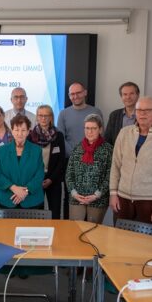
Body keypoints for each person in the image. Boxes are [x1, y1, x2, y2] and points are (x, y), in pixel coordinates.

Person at [57, 82, 103, 219]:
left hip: (93, 162)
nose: (75, 96)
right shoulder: (63, 114)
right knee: (70, 195)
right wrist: (76, 154)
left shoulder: (96, 111)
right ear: (69, 96)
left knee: (92, 196)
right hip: (70, 161)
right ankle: (69, 229)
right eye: (72, 94)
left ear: (85, 92)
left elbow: (100, 136)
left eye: (78, 93)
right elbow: (61, 138)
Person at [110, 96, 152, 224]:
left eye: (147, 110)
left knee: (144, 242)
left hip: (148, 200)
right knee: (120, 239)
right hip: (122, 199)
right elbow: (116, 165)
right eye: (139, 110)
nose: (142, 114)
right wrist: (113, 193)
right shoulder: (124, 133)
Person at [66, 114, 112, 223]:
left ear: (100, 129)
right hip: (77, 198)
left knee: (94, 234)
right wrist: (74, 193)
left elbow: (110, 176)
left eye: (93, 128)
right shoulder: (77, 148)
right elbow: (69, 174)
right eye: (87, 128)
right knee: (75, 231)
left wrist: (96, 195)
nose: (89, 132)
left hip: (98, 200)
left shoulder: (108, 150)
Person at [0, 114, 44, 209]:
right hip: (7, 199)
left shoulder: (36, 150)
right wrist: (14, 188)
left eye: (23, 130)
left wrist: (25, 191)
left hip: (32, 200)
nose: (19, 133)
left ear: (28, 131)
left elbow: (39, 174)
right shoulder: (2, 150)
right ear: (12, 131)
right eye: (16, 130)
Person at [29, 105, 65, 219]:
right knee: (36, 214)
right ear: (37, 117)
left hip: (53, 180)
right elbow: (28, 161)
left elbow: (61, 160)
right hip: (35, 181)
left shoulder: (58, 136)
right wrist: (38, 179)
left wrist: (51, 179)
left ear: (51, 117)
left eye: (46, 115)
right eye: (40, 115)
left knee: (55, 214)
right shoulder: (30, 136)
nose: (43, 118)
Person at [105, 81, 140, 146]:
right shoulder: (114, 115)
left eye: (131, 94)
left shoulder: (145, 115)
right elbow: (107, 139)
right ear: (121, 96)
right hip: (118, 154)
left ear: (137, 95)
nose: (128, 97)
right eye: (125, 94)